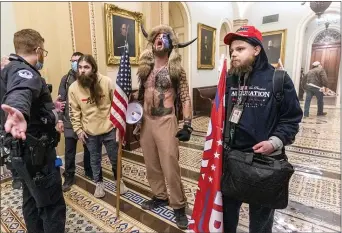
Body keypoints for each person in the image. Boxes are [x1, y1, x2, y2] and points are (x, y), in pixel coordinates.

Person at [222, 26, 302, 233]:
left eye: (240, 49)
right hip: (232, 160)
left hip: (264, 164)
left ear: (256, 50)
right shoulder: (231, 79)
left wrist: (273, 142)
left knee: (261, 221)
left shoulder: (279, 79)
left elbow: (291, 118)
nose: (233, 54)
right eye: (232, 51)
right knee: (227, 215)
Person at [0, 29, 66, 233]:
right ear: (38, 50)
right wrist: (18, 111)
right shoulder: (24, 71)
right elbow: (21, 91)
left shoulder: (8, 69)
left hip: (21, 153)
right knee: (52, 206)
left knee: (31, 199)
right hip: (37, 154)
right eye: (43, 52)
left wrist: (48, 107)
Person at [137, 24, 196, 229]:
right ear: (152, 42)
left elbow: (186, 97)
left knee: (170, 166)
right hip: (146, 121)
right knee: (151, 164)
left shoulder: (176, 70)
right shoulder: (144, 68)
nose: (159, 39)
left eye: (164, 37)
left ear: (170, 43)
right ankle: (160, 196)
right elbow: (140, 94)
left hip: (166, 121)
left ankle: (179, 206)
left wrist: (187, 124)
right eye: (156, 37)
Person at [68, 54, 128, 198]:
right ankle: (99, 184)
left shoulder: (106, 82)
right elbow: (73, 111)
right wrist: (78, 130)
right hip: (90, 132)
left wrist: (118, 127)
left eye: (86, 67)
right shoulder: (73, 88)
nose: (82, 70)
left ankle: (119, 181)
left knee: (115, 158)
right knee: (95, 160)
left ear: (93, 69)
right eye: (80, 67)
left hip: (109, 128)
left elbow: (117, 105)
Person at [57, 52, 102, 192]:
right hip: (70, 121)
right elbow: (60, 101)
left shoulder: (90, 79)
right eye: (73, 61)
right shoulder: (66, 79)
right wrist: (59, 120)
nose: (75, 64)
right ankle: (69, 176)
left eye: (78, 61)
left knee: (90, 149)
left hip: (87, 121)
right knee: (70, 151)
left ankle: (89, 171)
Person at [1, 56, 22, 189]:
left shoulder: (17, 80)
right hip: (4, 124)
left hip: (20, 123)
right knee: (10, 153)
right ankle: (16, 177)